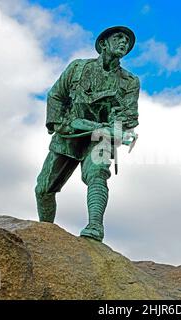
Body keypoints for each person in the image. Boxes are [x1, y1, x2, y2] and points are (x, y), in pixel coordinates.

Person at [35, 26, 140, 242]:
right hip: (70, 133)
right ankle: (44, 233)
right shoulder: (78, 68)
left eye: (127, 41)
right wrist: (58, 124)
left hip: (101, 138)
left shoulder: (129, 82)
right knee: (43, 189)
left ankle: (95, 226)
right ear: (103, 44)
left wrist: (117, 127)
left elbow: (129, 116)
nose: (124, 43)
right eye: (118, 38)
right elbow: (56, 96)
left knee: (97, 174)